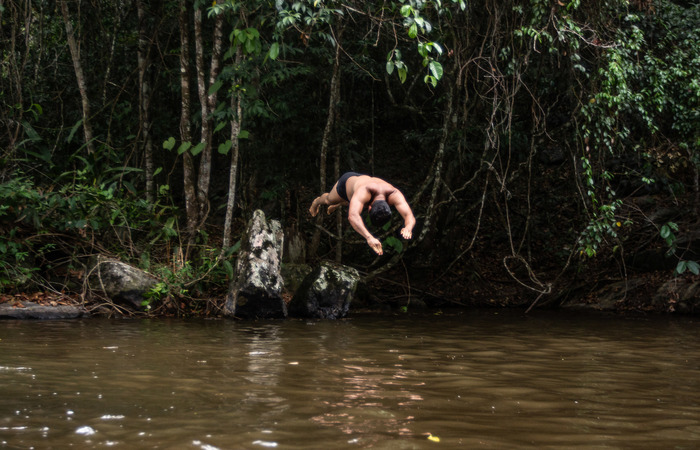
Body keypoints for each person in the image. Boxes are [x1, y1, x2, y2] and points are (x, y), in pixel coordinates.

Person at [309, 172, 416, 255]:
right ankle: (317, 201)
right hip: (347, 182)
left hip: (359, 190)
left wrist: (408, 227)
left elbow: (409, 215)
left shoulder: (394, 194)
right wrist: (369, 237)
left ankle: (341, 203)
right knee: (329, 200)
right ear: (369, 208)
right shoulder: (364, 191)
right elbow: (352, 216)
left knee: (355, 203)